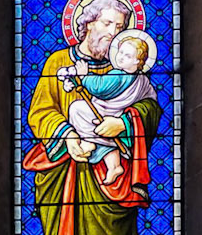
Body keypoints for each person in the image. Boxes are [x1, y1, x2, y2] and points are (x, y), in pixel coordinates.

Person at [23, 0, 170, 235]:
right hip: (63, 173)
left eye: (120, 27)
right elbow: (39, 113)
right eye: (107, 23)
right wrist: (67, 137)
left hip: (109, 181)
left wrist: (122, 122)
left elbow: (150, 110)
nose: (113, 34)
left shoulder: (128, 71)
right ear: (86, 22)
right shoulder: (59, 63)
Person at [62, 28, 158, 187]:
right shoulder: (143, 80)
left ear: (137, 61)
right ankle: (114, 166)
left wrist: (84, 75)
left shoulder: (118, 75)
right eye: (120, 52)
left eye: (127, 55)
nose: (120, 57)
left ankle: (89, 141)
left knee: (76, 109)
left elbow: (100, 88)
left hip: (108, 115)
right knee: (104, 137)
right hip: (115, 119)